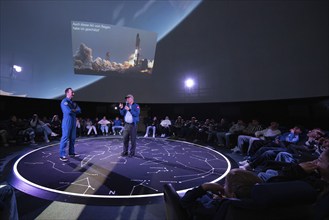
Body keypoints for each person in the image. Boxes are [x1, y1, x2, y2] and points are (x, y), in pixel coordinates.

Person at [180, 168, 262, 219]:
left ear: (233, 195)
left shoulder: (219, 208)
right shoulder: (259, 203)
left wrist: (204, 187)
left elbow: (185, 201)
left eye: (225, 184)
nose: (223, 185)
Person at [59, 88, 81, 161]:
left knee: (73, 138)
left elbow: (79, 110)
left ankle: (71, 152)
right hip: (67, 121)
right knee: (65, 138)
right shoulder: (64, 101)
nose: (73, 93)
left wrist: (73, 110)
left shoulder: (73, 103)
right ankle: (62, 155)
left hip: (73, 121)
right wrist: (74, 110)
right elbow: (67, 111)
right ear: (67, 93)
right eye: (72, 92)